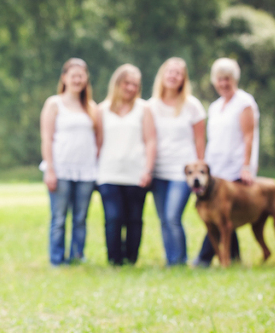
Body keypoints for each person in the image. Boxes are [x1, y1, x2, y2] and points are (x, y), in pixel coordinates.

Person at [192, 57, 260, 267]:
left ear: (235, 79)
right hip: (216, 169)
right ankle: (235, 258)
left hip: (236, 168)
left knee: (219, 214)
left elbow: (248, 136)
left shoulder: (244, 102)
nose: (223, 83)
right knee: (224, 215)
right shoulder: (215, 106)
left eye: (227, 79)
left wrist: (246, 167)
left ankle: (203, 259)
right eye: (220, 79)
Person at [40, 58, 101, 265]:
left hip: (86, 171)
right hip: (60, 169)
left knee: (80, 218)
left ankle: (77, 256)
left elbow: (98, 140)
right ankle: (57, 259)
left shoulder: (92, 107)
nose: (77, 79)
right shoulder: (54, 103)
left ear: (86, 79)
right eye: (73, 75)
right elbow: (47, 138)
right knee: (58, 218)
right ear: (64, 77)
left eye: (81, 75)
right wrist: (50, 169)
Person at [96, 64, 157, 265]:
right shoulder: (102, 109)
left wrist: (148, 169)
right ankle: (114, 260)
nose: (131, 88)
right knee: (113, 218)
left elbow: (150, 140)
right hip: (108, 173)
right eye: (127, 83)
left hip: (136, 173)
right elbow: (97, 143)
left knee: (134, 219)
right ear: (117, 83)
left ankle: (131, 259)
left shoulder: (144, 109)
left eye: (135, 84)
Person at [148, 57, 206, 266]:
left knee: (173, 216)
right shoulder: (151, 106)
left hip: (183, 172)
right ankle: (171, 258)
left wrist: (200, 170)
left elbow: (200, 139)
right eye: (169, 72)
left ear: (183, 79)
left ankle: (179, 260)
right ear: (162, 76)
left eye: (178, 73)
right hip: (158, 170)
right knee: (164, 219)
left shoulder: (192, 106)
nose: (173, 76)